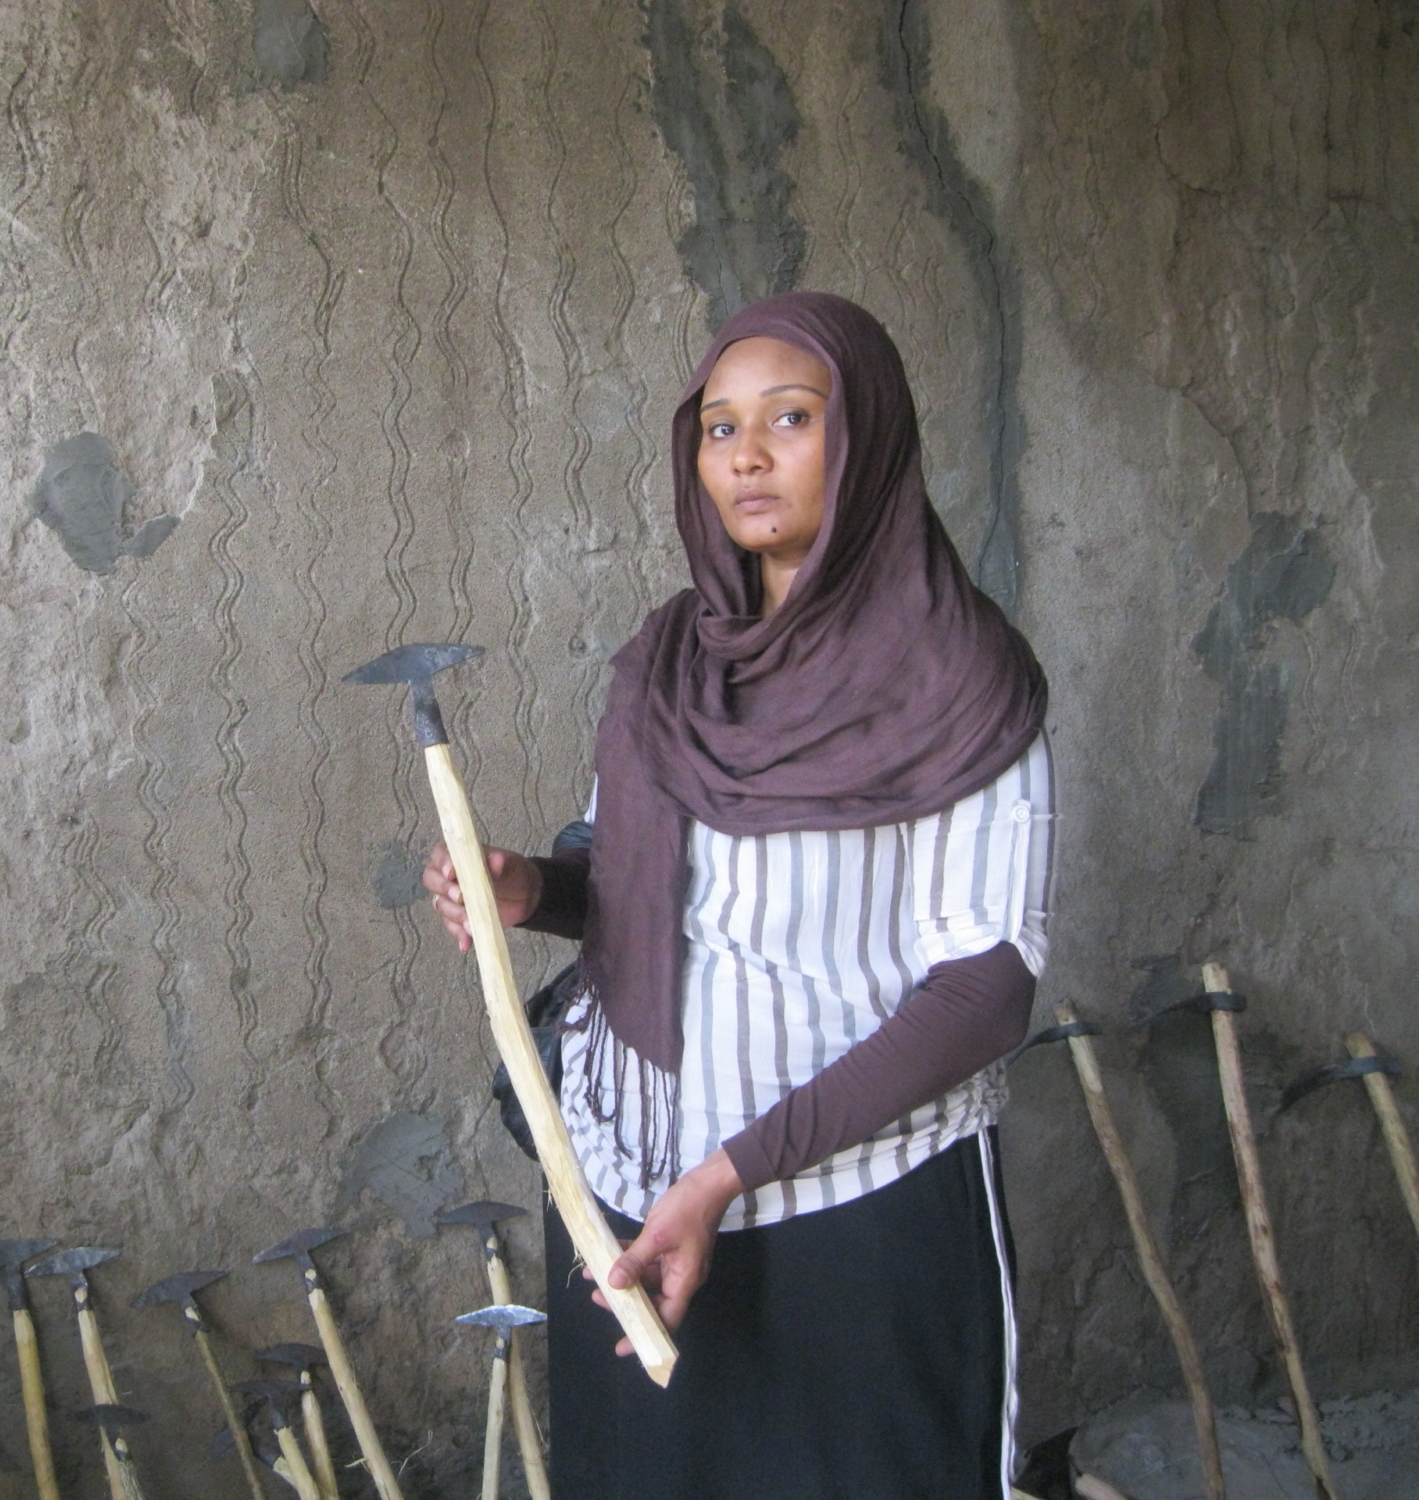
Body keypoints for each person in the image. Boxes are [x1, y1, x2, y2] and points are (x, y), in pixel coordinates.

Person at [422, 291, 1053, 1498]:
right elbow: (649, 895)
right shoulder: (671, 661)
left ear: (862, 440)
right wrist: (530, 891)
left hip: (853, 1213)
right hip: (629, 1192)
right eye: (718, 428)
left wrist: (731, 1171)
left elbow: (982, 993)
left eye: (791, 418)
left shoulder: (958, 679)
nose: (747, 456)